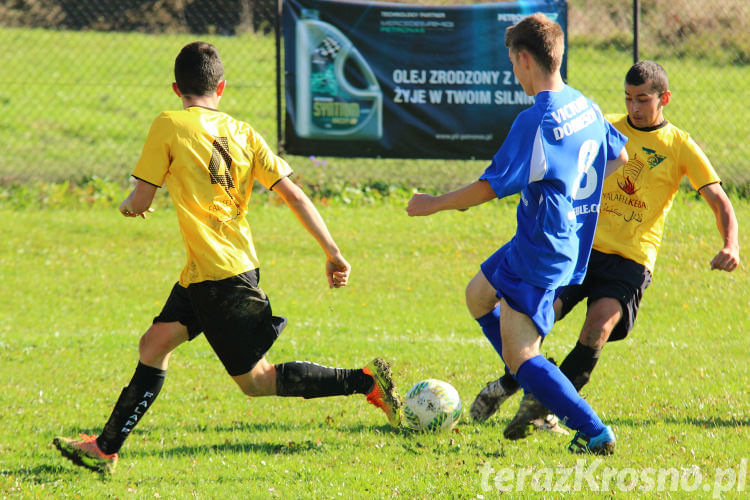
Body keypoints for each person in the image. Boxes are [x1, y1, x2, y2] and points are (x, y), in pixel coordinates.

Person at [53, 41, 402, 475]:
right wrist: (333, 253)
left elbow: (142, 196)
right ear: (221, 87)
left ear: (176, 87)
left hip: (221, 278)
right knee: (154, 344)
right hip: (213, 270)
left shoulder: (169, 123)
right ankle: (105, 450)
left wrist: (129, 205)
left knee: (257, 381)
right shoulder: (244, 131)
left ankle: (366, 381)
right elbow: (294, 194)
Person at [471, 60, 741, 440]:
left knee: (597, 328)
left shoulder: (680, 145)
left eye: (643, 100)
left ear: (664, 99)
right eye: (628, 99)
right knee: (536, 319)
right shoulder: (604, 124)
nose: (634, 108)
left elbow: (719, 200)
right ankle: (514, 384)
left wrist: (730, 243)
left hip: (631, 261)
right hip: (582, 248)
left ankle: (542, 405)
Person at [407, 14, 628, 454]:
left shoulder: (537, 121)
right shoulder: (584, 104)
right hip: (551, 238)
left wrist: (432, 203)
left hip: (540, 251)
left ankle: (592, 429)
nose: (514, 73)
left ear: (524, 59)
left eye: (512, 63)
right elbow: (618, 157)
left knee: (522, 355)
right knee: (477, 296)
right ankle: (530, 376)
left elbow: (487, 188)